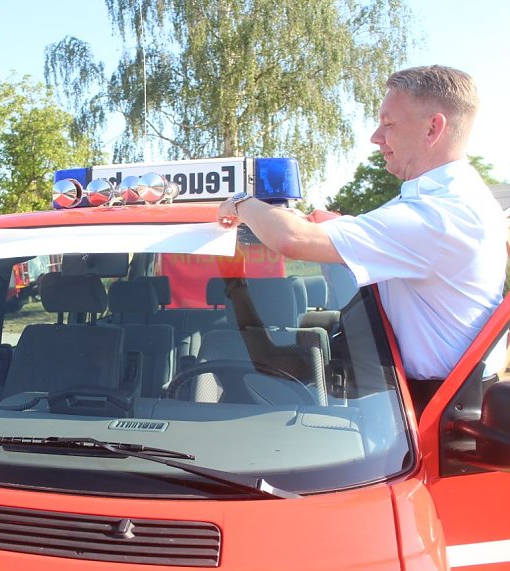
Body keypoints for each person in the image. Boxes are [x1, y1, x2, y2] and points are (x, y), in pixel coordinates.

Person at [217, 65, 507, 417]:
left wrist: (240, 202)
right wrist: (341, 224)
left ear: (433, 128)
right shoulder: (452, 199)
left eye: (389, 124)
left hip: (431, 413)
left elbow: (291, 239)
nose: (375, 137)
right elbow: (398, 238)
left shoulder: (438, 214)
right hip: (430, 403)